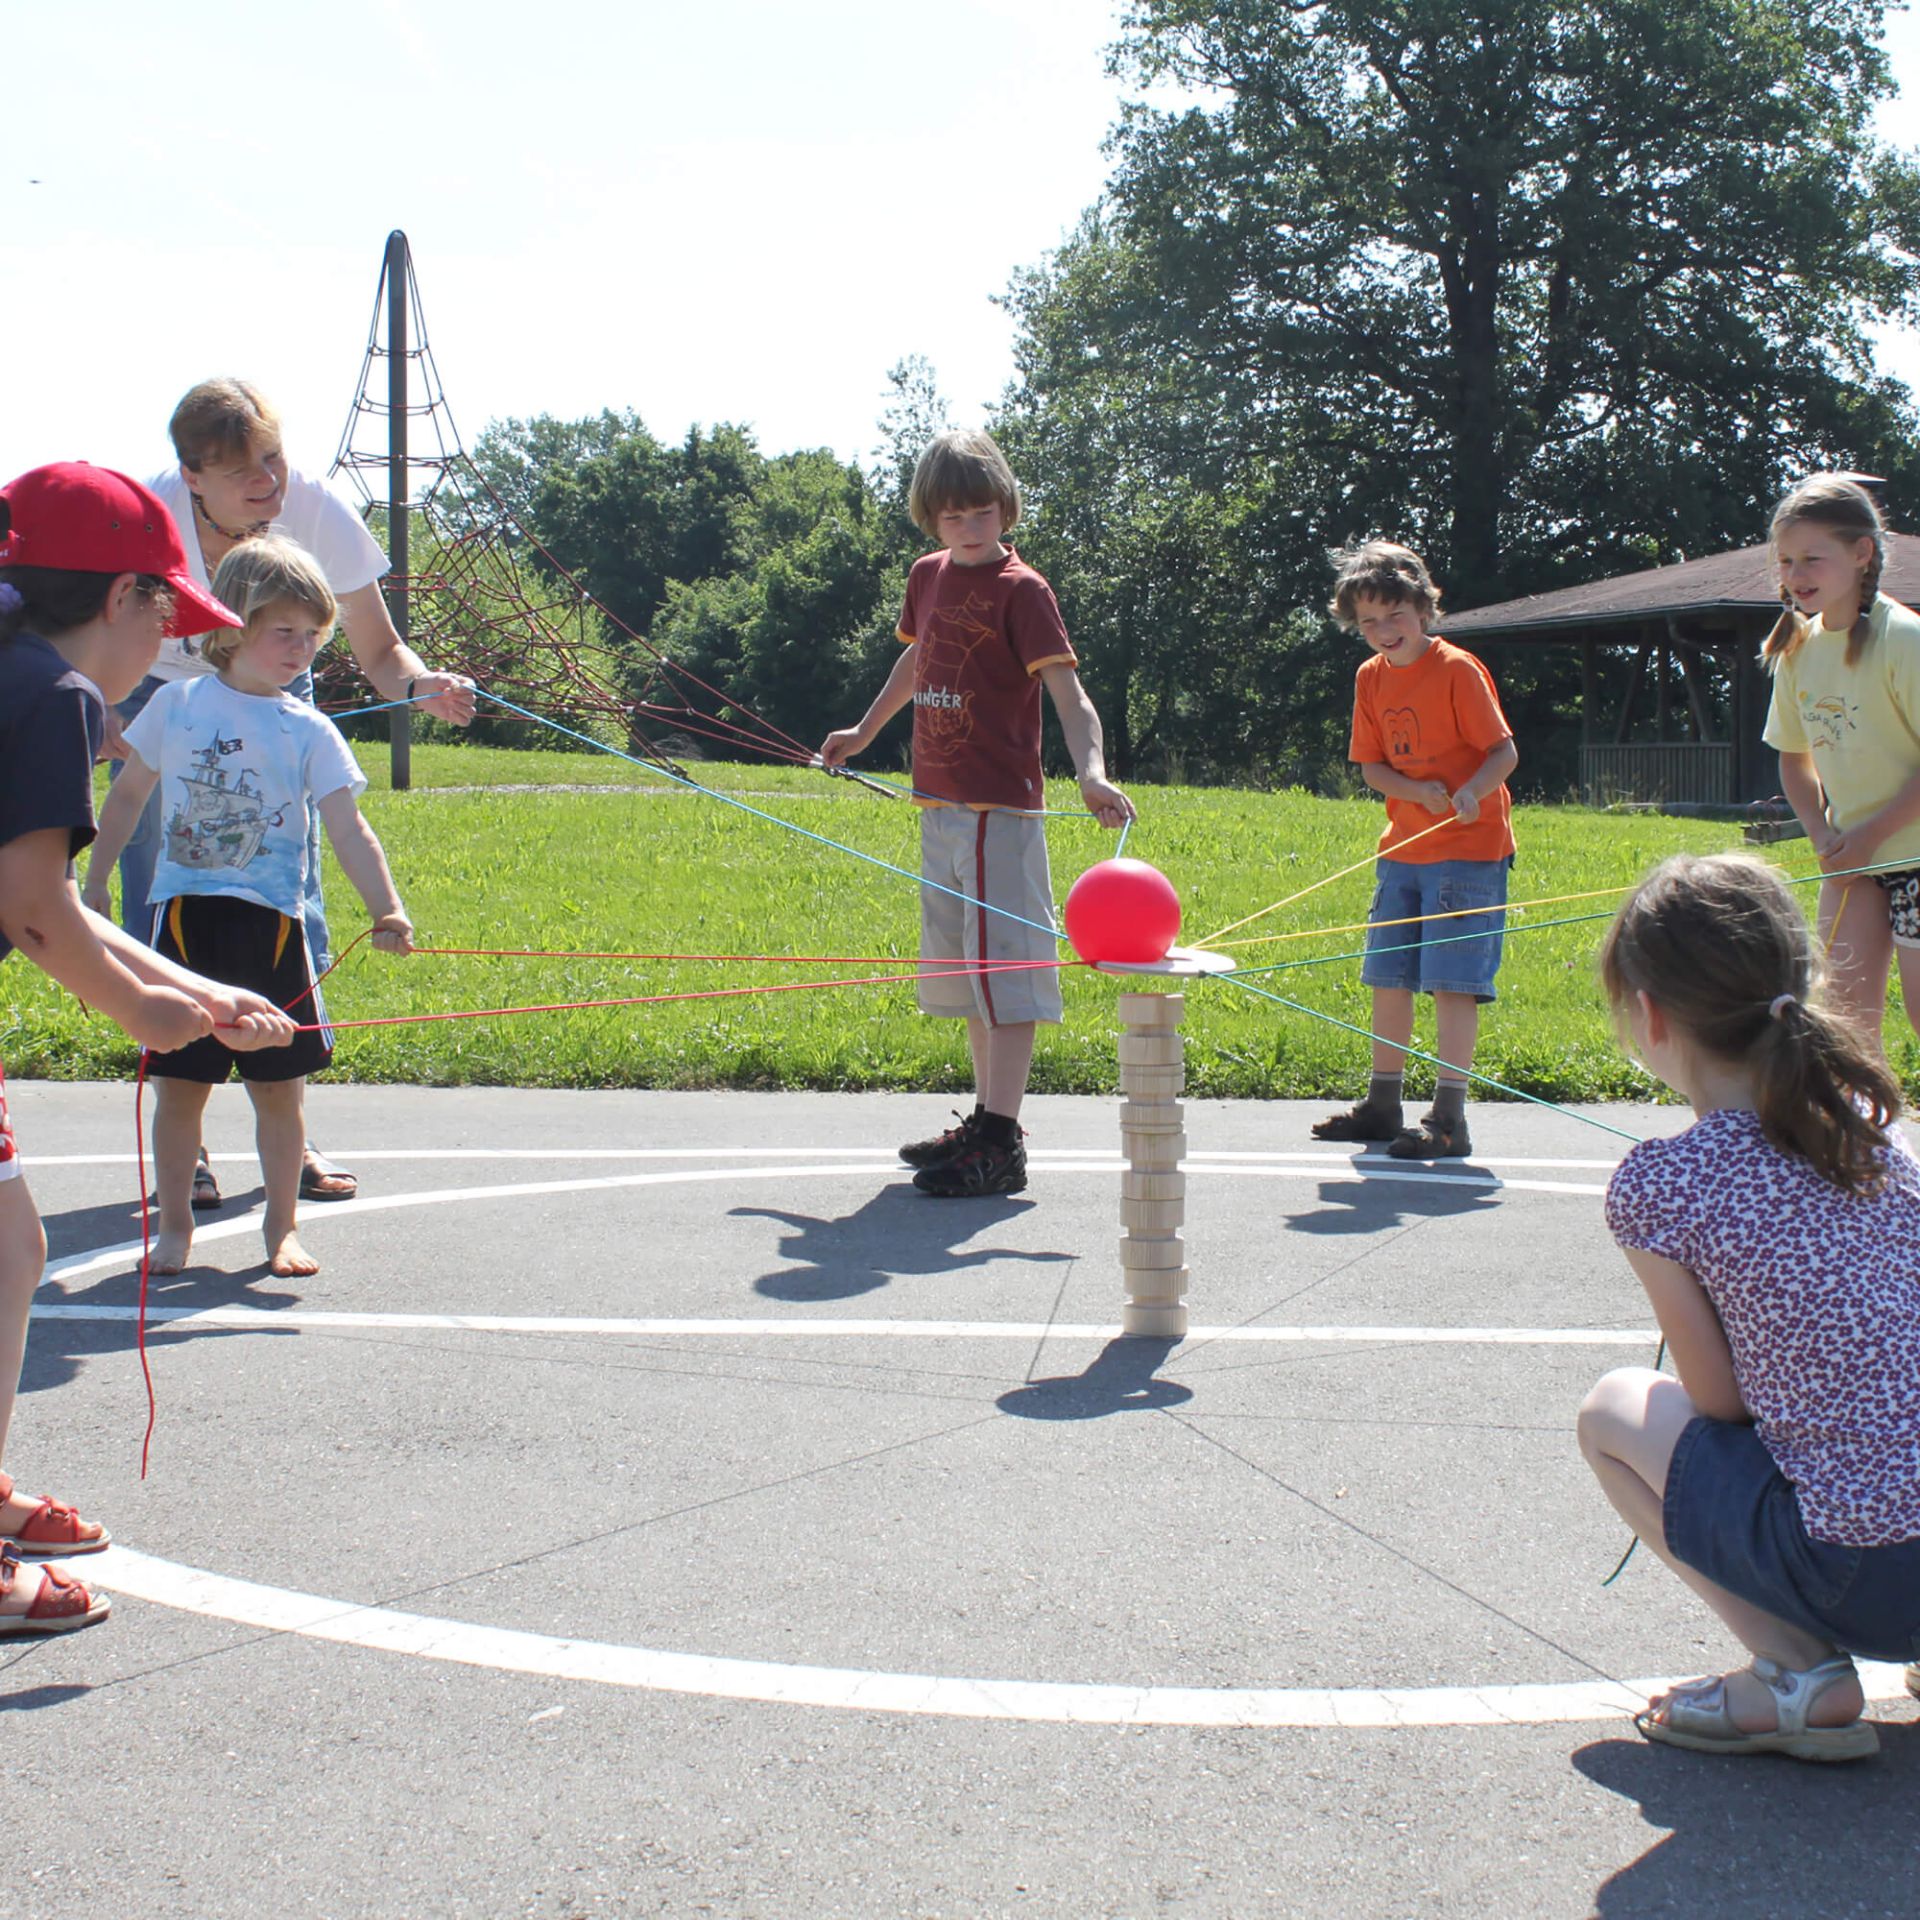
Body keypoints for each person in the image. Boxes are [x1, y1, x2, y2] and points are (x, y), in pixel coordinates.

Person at [0, 462, 296, 1634]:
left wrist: (199, 986)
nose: (170, 640)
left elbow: (44, 902)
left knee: (11, 1255)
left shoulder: (13, 667)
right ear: (119, 595)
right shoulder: (54, 695)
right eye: (166, 611)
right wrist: (147, 1018)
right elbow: (34, 911)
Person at [1579, 851, 1920, 1761]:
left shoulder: (1662, 1184)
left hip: (1868, 1576)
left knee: (1614, 1411)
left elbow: (1722, 1403)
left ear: (1649, 1014)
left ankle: (1799, 1674)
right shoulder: (1878, 1140)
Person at [108, 378, 473, 1208]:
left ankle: (287, 1122)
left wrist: (424, 687)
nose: (267, 481)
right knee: (162, 904)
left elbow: (383, 653)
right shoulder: (149, 518)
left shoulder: (314, 509)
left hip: (275, 694)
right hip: (157, 690)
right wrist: (97, 708)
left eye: (272, 457)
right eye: (242, 471)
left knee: (290, 898)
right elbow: (95, 632)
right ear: (192, 475)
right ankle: (187, 1137)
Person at [86, 539, 414, 1279]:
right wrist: (99, 881)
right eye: (285, 632)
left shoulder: (308, 728)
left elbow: (347, 827)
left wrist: (387, 908)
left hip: (273, 932)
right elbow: (129, 795)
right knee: (181, 1091)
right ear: (232, 627)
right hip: (183, 927)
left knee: (278, 1091)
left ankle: (280, 1230)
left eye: (313, 636)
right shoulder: (177, 704)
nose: (301, 650)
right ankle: (174, 1227)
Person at [819, 430, 1133, 1197]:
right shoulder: (927, 576)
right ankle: (985, 1123)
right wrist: (863, 731)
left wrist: (1089, 773)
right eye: (954, 515)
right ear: (930, 519)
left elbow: (1069, 695)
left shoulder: (1024, 590)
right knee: (967, 975)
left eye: (983, 511)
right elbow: (916, 657)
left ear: (1006, 507)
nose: (969, 526)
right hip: (940, 807)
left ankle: (1001, 1138)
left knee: (1008, 974)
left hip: (1001, 813)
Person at [1310, 541, 1519, 1158]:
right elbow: (1372, 769)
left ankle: (1449, 1118)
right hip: (1403, 850)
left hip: (1469, 852)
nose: (1382, 631)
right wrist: (1414, 791)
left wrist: (1471, 793)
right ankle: (1383, 1104)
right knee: (1388, 978)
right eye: (1368, 622)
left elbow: (1503, 754)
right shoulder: (1370, 678)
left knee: (1453, 984)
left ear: (1423, 609)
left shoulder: (1457, 670)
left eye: (1393, 615)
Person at [1762, 472, 1920, 1052]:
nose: (1796, 576)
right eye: (1785, 562)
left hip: (1914, 854)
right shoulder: (1797, 650)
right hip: (1852, 862)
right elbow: (1794, 760)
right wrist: (1824, 836)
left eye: (1811, 559)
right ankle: (1864, 1143)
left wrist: (1869, 835)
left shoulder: (1905, 640)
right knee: (1843, 1025)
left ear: (1861, 554)